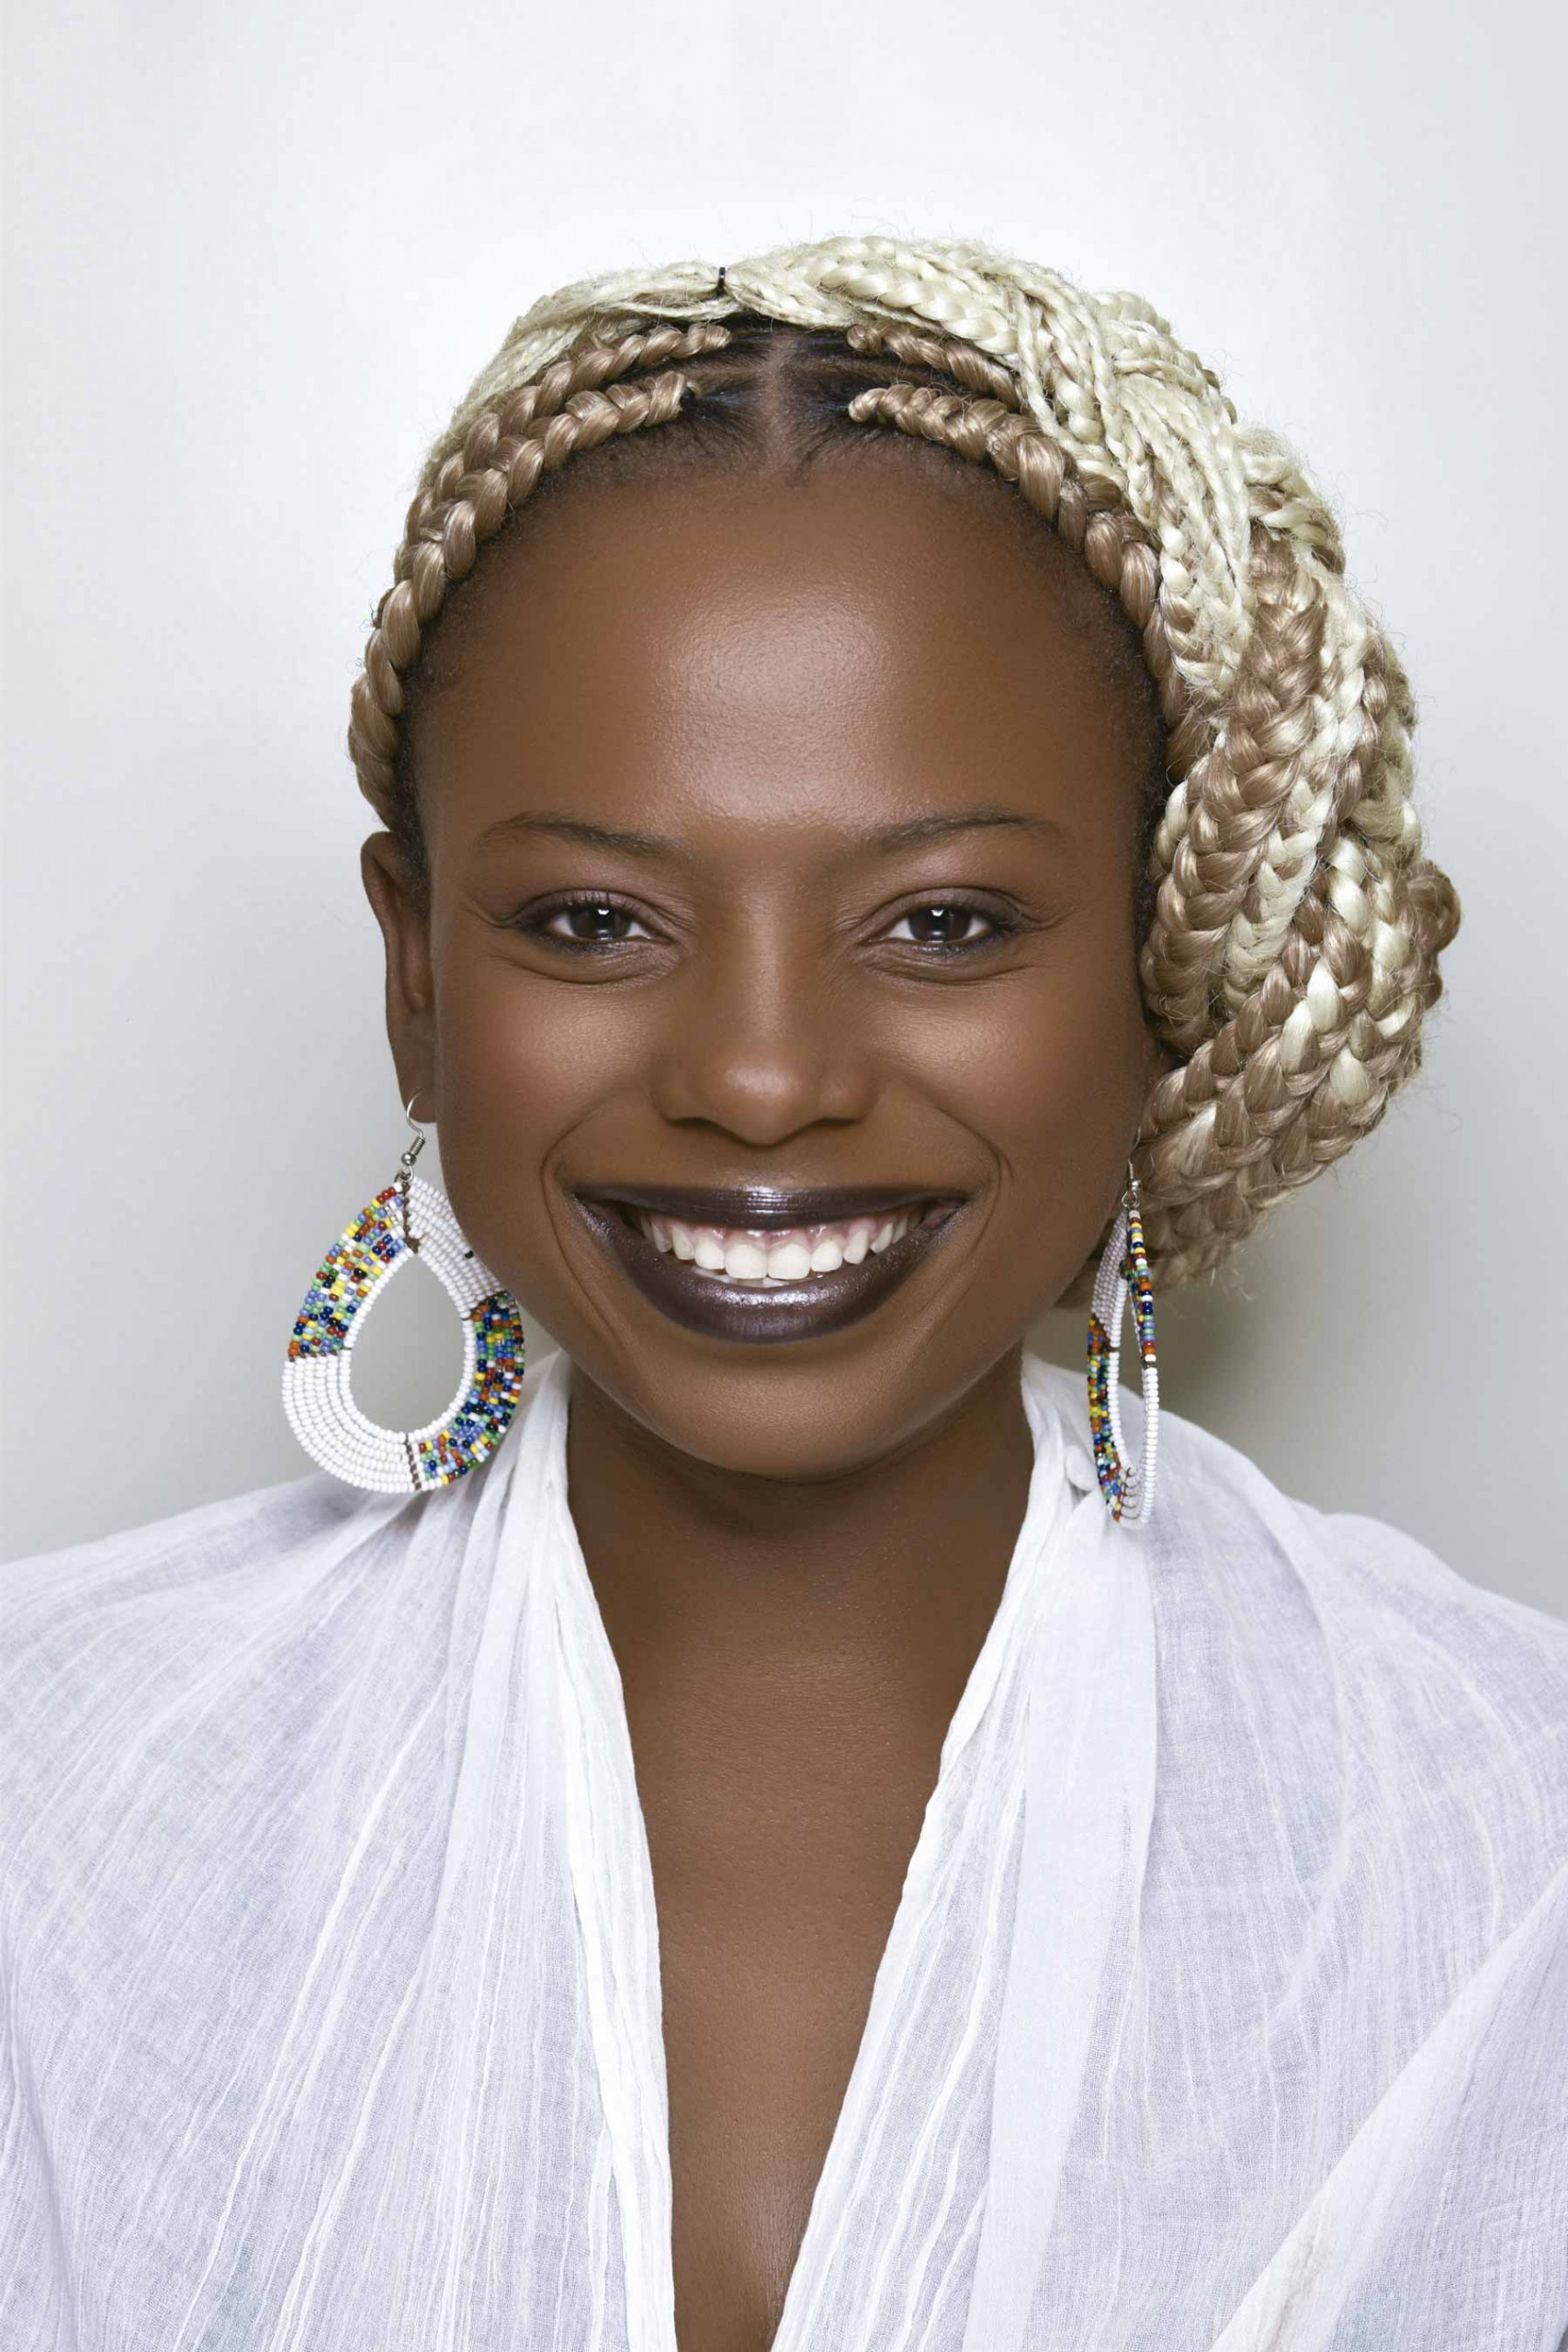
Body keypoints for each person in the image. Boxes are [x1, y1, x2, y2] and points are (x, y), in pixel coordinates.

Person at [4, 235, 1565, 2352]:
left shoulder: (1507, 1848)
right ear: (416, 974)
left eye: (940, 920)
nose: (757, 1075)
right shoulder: (50, 1808)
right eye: (592, 917)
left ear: (1164, 972)